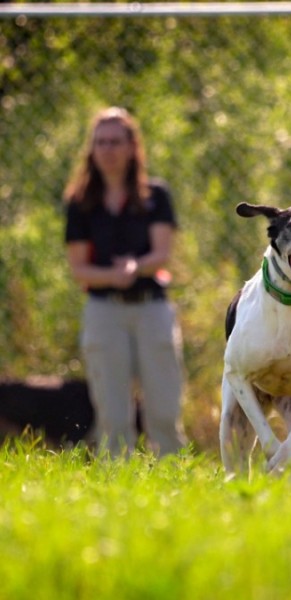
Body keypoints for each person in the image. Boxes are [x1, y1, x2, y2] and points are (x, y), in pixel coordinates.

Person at [64, 106, 187, 456]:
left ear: (133, 146)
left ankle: (171, 475)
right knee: (112, 411)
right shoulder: (80, 203)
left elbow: (162, 254)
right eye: (100, 142)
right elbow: (79, 269)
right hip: (104, 311)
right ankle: (116, 478)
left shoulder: (155, 196)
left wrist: (135, 268)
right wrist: (112, 277)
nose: (108, 150)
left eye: (116, 141)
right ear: (92, 149)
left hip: (152, 308)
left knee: (163, 407)